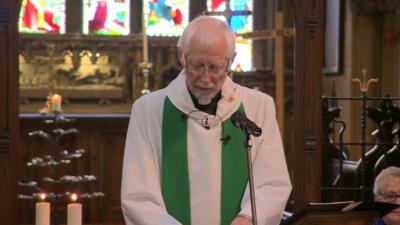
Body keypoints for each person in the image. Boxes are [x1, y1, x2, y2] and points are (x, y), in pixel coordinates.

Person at [121, 16, 292, 225]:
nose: (205, 78)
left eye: (215, 68)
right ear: (181, 55)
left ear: (231, 61)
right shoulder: (148, 111)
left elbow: (272, 183)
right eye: (197, 66)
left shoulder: (259, 107)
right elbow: (138, 195)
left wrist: (246, 219)